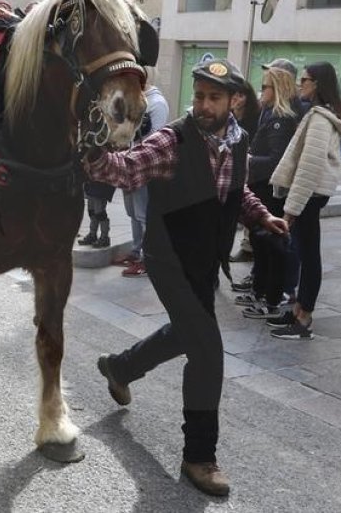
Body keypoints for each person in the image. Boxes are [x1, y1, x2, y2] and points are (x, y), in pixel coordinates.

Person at [89, 60, 288, 497]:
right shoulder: (172, 140)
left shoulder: (238, 140)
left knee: (186, 333)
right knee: (207, 351)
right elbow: (125, 169)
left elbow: (236, 188)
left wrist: (261, 216)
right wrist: (89, 152)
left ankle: (120, 367)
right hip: (169, 258)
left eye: (214, 97)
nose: (204, 105)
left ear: (234, 100)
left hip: (204, 261)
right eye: (199, 96)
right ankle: (199, 455)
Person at [266, 62, 341, 339]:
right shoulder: (319, 115)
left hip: (310, 195)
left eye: (305, 80)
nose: (300, 84)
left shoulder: (320, 119)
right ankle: (299, 309)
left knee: (309, 255)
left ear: (317, 84)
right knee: (305, 252)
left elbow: (308, 168)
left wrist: (290, 210)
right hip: (312, 195)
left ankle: (304, 318)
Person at [239, 64, 303, 319]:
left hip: (269, 190)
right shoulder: (270, 114)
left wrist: (248, 160)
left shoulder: (281, 119)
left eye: (265, 86)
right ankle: (260, 291)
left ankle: (271, 299)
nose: (261, 90)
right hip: (261, 187)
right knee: (260, 244)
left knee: (271, 246)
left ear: (276, 89)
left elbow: (277, 160)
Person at [117, 84, 169, 278]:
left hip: (144, 166)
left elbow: (155, 139)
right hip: (128, 162)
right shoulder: (136, 101)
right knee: (132, 212)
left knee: (143, 214)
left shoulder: (157, 103)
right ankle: (135, 251)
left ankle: (148, 260)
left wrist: (132, 128)